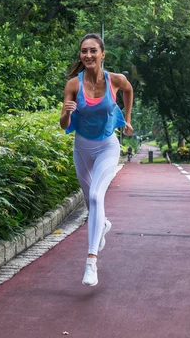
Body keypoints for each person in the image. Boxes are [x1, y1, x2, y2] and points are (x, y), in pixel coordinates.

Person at [59, 33, 133, 286]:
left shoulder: (116, 80)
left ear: (103, 54)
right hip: (81, 149)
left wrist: (127, 118)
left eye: (93, 50)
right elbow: (63, 125)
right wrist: (67, 114)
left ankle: (91, 262)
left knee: (94, 197)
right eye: (83, 51)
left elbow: (129, 90)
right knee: (93, 206)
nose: (88, 55)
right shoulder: (73, 85)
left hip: (107, 148)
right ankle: (103, 224)